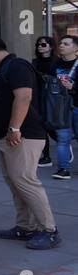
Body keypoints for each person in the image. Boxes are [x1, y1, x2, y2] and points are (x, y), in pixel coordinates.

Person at [0, 36, 60, 250]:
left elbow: (24, 97)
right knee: (15, 182)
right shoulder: (4, 69)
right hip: (8, 136)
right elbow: (5, 98)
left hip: (23, 135)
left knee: (25, 181)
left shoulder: (17, 66)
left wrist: (14, 128)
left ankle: (49, 230)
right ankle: (25, 227)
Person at [49, 34, 77, 180]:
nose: (61, 46)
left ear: (75, 48)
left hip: (76, 104)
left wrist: (74, 85)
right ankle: (63, 169)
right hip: (61, 106)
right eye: (60, 43)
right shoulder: (56, 64)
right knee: (62, 138)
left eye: (66, 44)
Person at [33, 36, 57, 167]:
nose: (40, 47)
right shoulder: (35, 62)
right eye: (38, 44)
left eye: (43, 44)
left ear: (51, 46)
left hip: (53, 98)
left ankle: (63, 145)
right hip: (39, 97)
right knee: (41, 127)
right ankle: (46, 156)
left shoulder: (57, 61)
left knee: (52, 127)